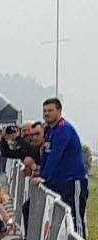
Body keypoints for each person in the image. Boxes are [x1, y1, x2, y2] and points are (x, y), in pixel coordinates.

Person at [41, 96, 89, 232]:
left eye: (50, 110)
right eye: (44, 111)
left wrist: (43, 177)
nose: (46, 114)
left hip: (73, 182)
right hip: (59, 182)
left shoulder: (64, 130)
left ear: (59, 111)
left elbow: (55, 156)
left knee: (75, 219)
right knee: (62, 221)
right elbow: (47, 155)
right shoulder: (50, 131)